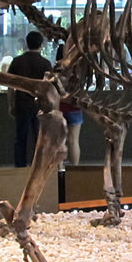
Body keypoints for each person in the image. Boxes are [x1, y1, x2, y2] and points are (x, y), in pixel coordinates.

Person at [7, 31, 53, 167]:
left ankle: (19, 165)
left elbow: (10, 86)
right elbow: (50, 87)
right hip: (40, 106)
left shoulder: (17, 62)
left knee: (20, 137)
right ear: (41, 45)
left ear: (26, 43)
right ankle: (38, 164)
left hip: (21, 104)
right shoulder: (45, 63)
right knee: (40, 137)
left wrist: (10, 104)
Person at [56, 44, 83, 167]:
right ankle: (75, 168)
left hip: (59, 109)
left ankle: (60, 169)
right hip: (75, 108)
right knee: (74, 140)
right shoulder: (78, 70)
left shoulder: (55, 70)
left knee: (59, 141)